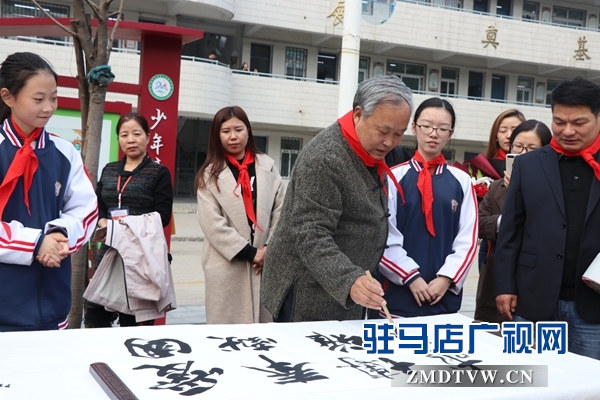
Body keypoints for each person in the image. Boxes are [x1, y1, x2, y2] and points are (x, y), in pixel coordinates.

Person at [261, 75, 413, 322]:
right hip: (307, 289)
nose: (390, 142)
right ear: (357, 115)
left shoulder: (371, 150)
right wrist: (350, 280)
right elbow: (311, 234)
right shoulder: (324, 159)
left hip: (342, 286)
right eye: (383, 131)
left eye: (399, 133)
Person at [495, 77, 600, 360]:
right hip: (532, 298)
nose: (567, 131)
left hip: (593, 306)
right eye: (559, 121)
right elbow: (511, 232)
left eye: (579, 123)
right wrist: (504, 286)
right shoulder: (529, 164)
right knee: (530, 379)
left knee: (589, 384)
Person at [0, 52, 98, 332]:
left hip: (52, 305)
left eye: (53, 98)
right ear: (8, 97)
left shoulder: (64, 151)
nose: (48, 107)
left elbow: (86, 208)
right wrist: (35, 243)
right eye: (38, 98)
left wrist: (59, 233)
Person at [371, 97, 478, 318]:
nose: (433, 133)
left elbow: (467, 238)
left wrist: (446, 278)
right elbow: (382, 237)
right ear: (413, 127)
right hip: (397, 298)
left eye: (442, 128)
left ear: (450, 133)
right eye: (427, 126)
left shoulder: (461, 180)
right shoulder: (392, 177)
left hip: (444, 299)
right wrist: (411, 277)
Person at [195, 106, 285, 324]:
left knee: (263, 336)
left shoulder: (267, 166)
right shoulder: (209, 174)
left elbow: (281, 211)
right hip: (227, 264)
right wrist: (249, 252)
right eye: (225, 131)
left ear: (248, 131)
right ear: (217, 136)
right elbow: (211, 223)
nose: (233, 136)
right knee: (227, 335)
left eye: (238, 129)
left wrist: (267, 251)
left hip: (264, 262)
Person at [85, 112, 174, 328]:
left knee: (134, 322)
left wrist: (120, 227)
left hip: (142, 253)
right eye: (124, 135)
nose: (130, 140)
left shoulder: (158, 173)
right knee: (96, 315)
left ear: (148, 136)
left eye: (136, 133)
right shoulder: (109, 170)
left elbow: (161, 216)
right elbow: (98, 205)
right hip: (110, 252)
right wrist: (103, 222)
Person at [475, 120, 551, 323]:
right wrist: (508, 217)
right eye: (518, 146)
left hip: (534, 280)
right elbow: (479, 223)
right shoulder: (497, 187)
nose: (523, 153)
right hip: (496, 275)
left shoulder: (552, 188)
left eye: (532, 148)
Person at [474, 109, 526, 272]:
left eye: (514, 129)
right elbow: (478, 219)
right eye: (503, 130)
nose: (508, 135)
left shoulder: (536, 166)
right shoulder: (482, 168)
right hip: (491, 243)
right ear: (495, 135)